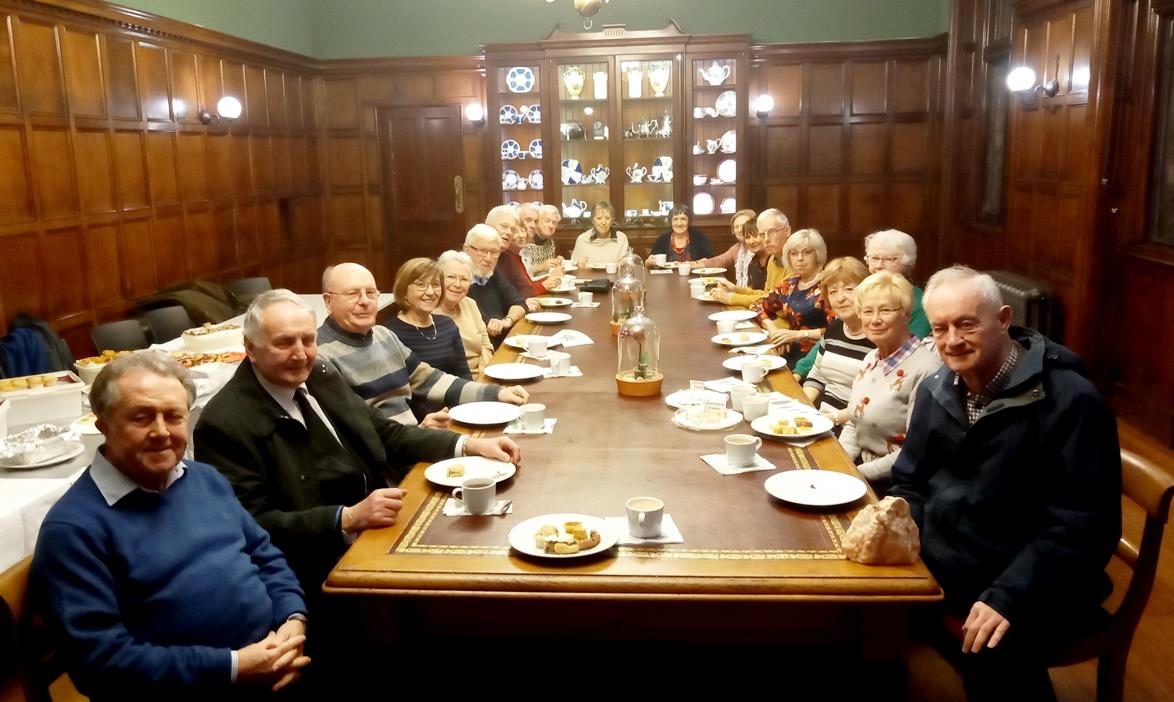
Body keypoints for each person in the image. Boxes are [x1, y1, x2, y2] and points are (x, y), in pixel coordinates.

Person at [889, 265, 1121, 700]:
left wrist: (1009, 596)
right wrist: (899, 534)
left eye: (967, 324)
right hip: (953, 559)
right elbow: (910, 481)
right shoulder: (938, 386)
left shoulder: (1071, 401)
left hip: (1037, 578)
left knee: (990, 646)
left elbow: (1086, 526)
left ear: (1003, 319)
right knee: (858, 617)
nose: (952, 340)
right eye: (940, 328)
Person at [194, 289, 521, 592]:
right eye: (284, 343)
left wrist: (467, 446)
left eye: (308, 340)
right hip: (321, 565)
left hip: (379, 523)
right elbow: (251, 524)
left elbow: (384, 432)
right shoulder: (223, 423)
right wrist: (346, 518)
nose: (300, 353)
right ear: (250, 348)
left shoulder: (319, 375)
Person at [32, 353, 310, 700]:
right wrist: (235, 666)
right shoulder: (74, 529)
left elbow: (264, 555)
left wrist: (292, 621)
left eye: (174, 416)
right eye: (141, 417)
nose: (161, 432)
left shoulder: (204, 479)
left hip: (275, 662)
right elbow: (100, 663)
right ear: (103, 425)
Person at [316, 262, 526, 428]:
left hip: (414, 439)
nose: (364, 301)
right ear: (328, 302)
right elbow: (359, 429)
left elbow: (429, 380)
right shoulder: (319, 355)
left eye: (370, 293)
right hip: (390, 463)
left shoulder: (383, 336)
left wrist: (496, 393)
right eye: (352, 294)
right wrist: (420, 432)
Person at [837, 271, 940, 485]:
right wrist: (838, 464)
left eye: (885, 310)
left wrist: (853, 476)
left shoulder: (926, 370)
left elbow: (914, 452)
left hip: (896, 483)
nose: (874, 320)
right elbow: (855, 424)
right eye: (867, 311)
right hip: (859, 472)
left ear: (906, 315)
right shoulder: (870, 359)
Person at [801, 257, 873, 429]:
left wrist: (831, 419)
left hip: (855, 425)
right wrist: (801, 408)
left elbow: (875, 402)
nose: (840, 298)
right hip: (822, 416)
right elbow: (816, 375)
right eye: (833, 292)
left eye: (849, 289)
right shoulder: (834, 328)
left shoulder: (878, 337)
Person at [750, 228, 831, 366]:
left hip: (817, 358)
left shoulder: (828, 286)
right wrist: (774, 331)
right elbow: (756, 306)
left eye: (807, 252)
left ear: (818, 254)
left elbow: (837, 330)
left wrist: (795, 335)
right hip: (788, 350)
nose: (800, 258)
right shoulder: (789, 285)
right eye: (794, 253)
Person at [463, 223, 530, 345]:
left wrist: (507, 321)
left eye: (494, 252)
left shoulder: (491, 273)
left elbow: (519, 303)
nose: (489, 258)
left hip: (504, 342)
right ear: (466, 250)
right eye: (482, 251)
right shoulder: (459, 282)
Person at [711, 208, 792, 306]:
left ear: (787, 231)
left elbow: (775, 301)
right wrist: (736, 289)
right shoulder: (773, 259)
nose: (766, 239)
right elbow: (767, 294)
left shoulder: (795, 259)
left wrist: (731, 298)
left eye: (772, 232)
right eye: (762, 234)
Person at [434, 249, 493, 374]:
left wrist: (484, 375)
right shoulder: (429, 312)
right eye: (451, 277)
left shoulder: (470, 304)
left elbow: (486, 346)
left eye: (464, 279)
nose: (458, 284)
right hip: (456, 381)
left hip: (484, 373)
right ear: (437, 279)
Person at [864, 228, 930, 338]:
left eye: (890, 259)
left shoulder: (918, 302)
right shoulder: (862, 292)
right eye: (874, 258)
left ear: (907, 262)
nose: (879, 265)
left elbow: (909, 345)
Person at [487, 205, 563, 298]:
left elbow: (525, 288)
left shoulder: (508, 256)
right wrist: (545, 282)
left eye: (512, 229)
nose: (509, 232)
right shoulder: (492, 255)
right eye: (504, 226)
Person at [688, 209, 756, 286]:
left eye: (743, 226)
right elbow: (720, 260)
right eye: (736, 227)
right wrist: (695, 264)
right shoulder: (737, 248)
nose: (740, 230)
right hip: (740, 294)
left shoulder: (758, 248)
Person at [571, 200, 631, 266]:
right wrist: (578, 264)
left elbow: (627, 266)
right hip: (589, 276)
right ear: (593, 220)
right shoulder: (582, 239)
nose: (603, 222)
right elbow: (573, 265)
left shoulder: (621, 238)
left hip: (614, 275)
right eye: (599, 218)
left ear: (612, 220)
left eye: (607, 218)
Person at [647, 205, 713, 264]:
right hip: (668, 277)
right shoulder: (663, 239)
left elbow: (710, 259)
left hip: (695, 276)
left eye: (683, 219)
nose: (679, 223)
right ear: (671, 222)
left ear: (689, 221)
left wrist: (698, 263)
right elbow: (650, 261)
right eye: (675, 219)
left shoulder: (699, 237)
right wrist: (649, 262)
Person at [522, 204, 562, 275]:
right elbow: (519, 272)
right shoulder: (524, 241)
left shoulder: (550, 242)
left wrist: (557, 261)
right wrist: (540, 267)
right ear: (537, 222)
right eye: (547, 221)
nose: (551, 226)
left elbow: (548, 269)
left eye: (554, 223)